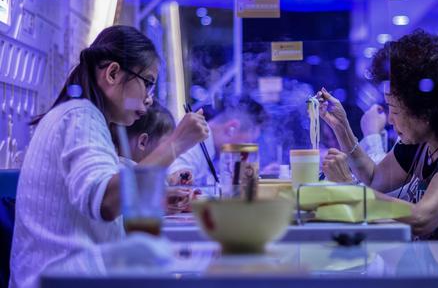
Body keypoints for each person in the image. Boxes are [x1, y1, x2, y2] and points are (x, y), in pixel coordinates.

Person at [10, 26, 209, 288]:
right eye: (147, 83)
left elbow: (103, 193)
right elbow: (106, 200)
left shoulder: (81, 117)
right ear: (113, 73)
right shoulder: (79, 117)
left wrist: (155, 199)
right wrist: (175, 143)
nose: (149, 100)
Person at [318, 29, 438, 247]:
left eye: (395, 111)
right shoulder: (422, 143)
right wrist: (341, 126)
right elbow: (374, 179)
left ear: (425, 112)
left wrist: (350, 191)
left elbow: (421, 219)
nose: (389, 120)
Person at [167, 95, 267, 185]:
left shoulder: (212, 150)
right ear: (231, 129)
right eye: (246, 142)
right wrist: (182, 176)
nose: (244, 151)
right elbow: (174, 177)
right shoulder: (194, 142)